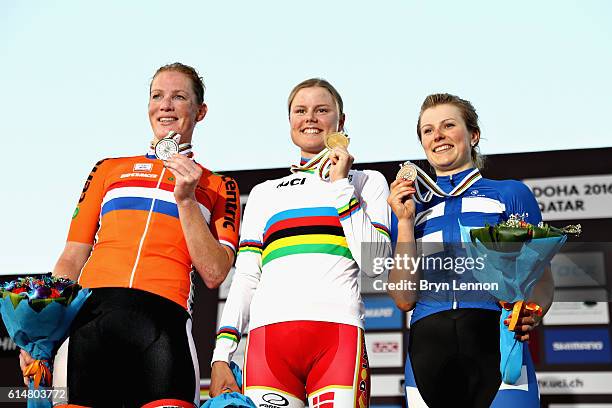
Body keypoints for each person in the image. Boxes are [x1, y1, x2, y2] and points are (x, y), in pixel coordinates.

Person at [19, 62, 240, 407]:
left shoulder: (216, 185)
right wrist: (40, 331)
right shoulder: (109, 169)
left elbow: (214, 273)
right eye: (157, 96)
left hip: (164, 325)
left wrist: (185, 198)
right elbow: (72, 256)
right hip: (90, 322)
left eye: (178, 97)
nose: (165, 105)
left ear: (201, 111)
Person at [209, 78, 392, 407]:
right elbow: (247, 277)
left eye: (322, 110)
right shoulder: (265, 193)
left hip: (338, 337)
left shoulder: (367, 182)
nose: (310, 118)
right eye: (300, 110)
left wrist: (341, 188)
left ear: (341, 121)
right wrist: (222, 354)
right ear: (290, 121)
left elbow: (377, 265)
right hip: (268, 344)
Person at [387, 93, 552, 408]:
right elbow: (404, 298)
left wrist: (531, 312)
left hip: (498, 342)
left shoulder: (510, 193)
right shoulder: (410, 206)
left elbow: (542, 279)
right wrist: (405, 222)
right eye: (428, 130)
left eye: (449, 125)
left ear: (473, 135)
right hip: (427, 353)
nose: (438, 135)